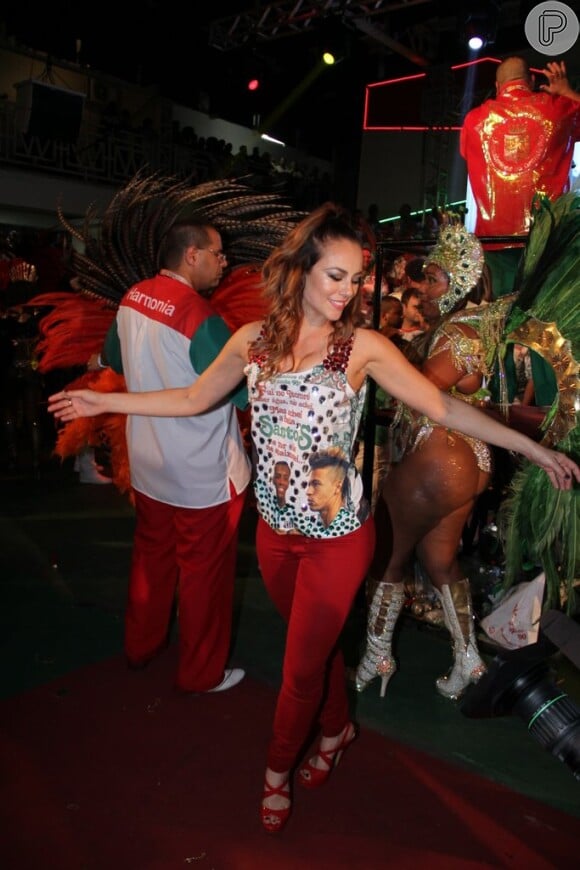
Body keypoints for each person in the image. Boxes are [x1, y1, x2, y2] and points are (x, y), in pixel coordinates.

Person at [48, 204, 579, 835]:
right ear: (299, 270)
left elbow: (441, 405)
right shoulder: (252, 341)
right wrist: (103, 397)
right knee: (317, 652)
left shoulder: (364, 349)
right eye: (335, 276)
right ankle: (337, 728)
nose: (347, 292)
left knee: (298, 669)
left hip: (339, 541)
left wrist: (535, 448)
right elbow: (192, 399)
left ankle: (275, 773)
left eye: (355, 279)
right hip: (274, 537)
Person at [352, 219, 574, 702]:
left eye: (433, 280)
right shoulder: (477, 325)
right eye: (424, 279)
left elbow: (421, 389)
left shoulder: (456, 332)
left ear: (462, 283)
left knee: (387, 552)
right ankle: (469, 658)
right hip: (469, 459)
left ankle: (376, 654)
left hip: (439, 453)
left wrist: (381, 351)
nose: (423, 288)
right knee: (438, 559)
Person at [97, 219, 251, 694]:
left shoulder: (130, 298)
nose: (223, 264)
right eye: (218, 254)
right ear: (192, 255)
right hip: (202, 474)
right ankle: (202, 673)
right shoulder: (200, 316)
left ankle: (140, 646)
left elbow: (114, 361)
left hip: (148, 463)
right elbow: (242, 395)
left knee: (151, 560)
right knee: (205, 576)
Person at [461, 57, 580, 237]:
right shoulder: (557, 109)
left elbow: (467, 155)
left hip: (494, 240)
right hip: (547, 238)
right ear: (532, 80)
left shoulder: (473, 121)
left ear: (497, 85)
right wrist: (567, 92)